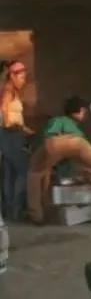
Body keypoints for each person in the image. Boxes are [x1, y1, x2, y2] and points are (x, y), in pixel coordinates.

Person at [26, 102, 91, 226]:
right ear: (76, 112)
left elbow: (48, 137)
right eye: (83, 111)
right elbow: (77, 155)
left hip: (54, 142)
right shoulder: (74, 125)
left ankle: (37, 216)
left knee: (35, 173)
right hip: (77, 143)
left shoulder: (56, 120)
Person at [0, 61, 33, 221]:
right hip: (11, 134)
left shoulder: (12, 92)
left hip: (13, 133)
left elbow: (16, 117)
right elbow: (6, 117)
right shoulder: (7, 93)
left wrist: (26, 129)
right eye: (21, 77)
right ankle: (17, 210)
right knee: (23, 171)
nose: (23, 81)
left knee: (10, 173)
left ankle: (10, 211)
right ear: (12, 76)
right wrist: (16, 126)